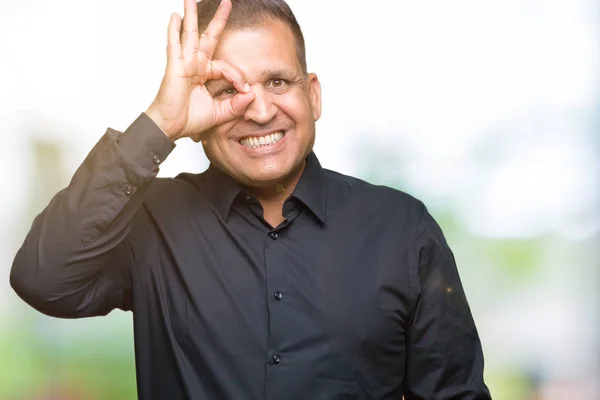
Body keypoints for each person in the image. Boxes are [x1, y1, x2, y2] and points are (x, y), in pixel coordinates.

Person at [9, 0, 491, 398]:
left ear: (314, 96)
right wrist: (159, 123)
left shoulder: (401, 229)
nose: (259, 111)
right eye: (227, 91)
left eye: (277, 82)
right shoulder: (150, 221)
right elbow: (43, 278)